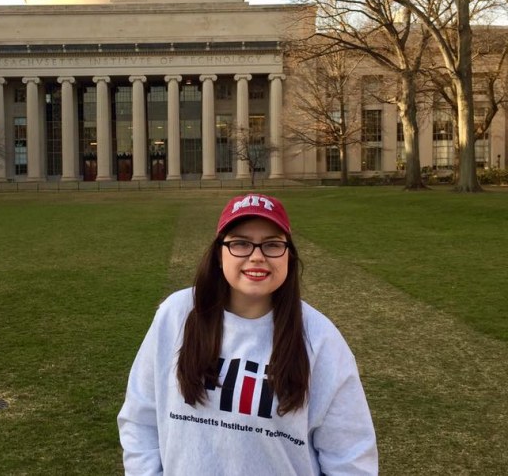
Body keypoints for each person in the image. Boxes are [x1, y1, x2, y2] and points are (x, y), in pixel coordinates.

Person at [117, 193, 378, 475]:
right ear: (219, 254)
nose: (257, 257)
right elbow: (140, 418)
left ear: (289, 255)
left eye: (272, 245)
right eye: (241, 243)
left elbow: (350, 457)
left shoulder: (320, 339)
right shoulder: (176, 315)